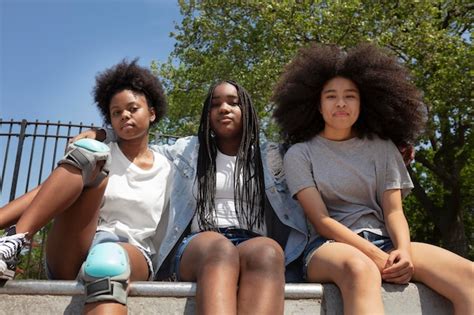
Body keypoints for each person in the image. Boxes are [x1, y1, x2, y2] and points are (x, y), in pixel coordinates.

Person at [272, 43, 474, 315]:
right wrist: (374, 255)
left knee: (468, 275)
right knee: (360, 269)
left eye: (350, 96)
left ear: (362, 103)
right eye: (331, 96)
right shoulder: (300, 154)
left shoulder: (382, 148)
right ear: (317, 106)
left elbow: (393, 211)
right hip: (329, 248)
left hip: (386, 241)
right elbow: (322, 221)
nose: (341, 103)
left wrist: (402, 251)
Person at [78, 80, 308, 314]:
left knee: (269, 252)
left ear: (246, 110)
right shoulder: (188, 150)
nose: (224, 109)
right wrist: (102, 133)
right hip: (199, 245)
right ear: (207, 115)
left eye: (233, 103)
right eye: (215, 104)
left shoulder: (271, 157)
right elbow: (138, 143)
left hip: (251, 240)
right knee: (220, 249)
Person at [0, 59, 172, 315]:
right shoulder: (103, 153)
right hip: (77, 247)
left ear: (152, 112)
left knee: (107, 260)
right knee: (90, 154)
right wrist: (99, 136)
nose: (124, 115)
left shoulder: (170, 167)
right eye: (116, 112)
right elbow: (44, 194)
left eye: (133, 108)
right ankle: (12, 244)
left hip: (130, 252)